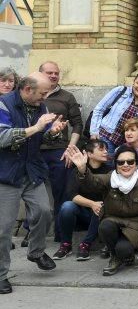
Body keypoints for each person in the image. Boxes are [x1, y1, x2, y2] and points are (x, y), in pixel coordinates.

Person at [0, 73, 66, 293]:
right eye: (42, 93)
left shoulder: (40, 106)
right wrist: (37, 128)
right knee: (3, 229)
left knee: (45, 211)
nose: (45, 98)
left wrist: (53, 132)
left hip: (32, 171)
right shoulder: (4, 104)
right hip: (7, 174)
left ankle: (36, 252)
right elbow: (3, 137)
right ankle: (1, 274)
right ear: (28, 89)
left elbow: (43, 135)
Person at [64, 144, 138, 276]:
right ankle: (114, 257)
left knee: (123, 250)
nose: (125, 165)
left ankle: (124, 255)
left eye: (130, 161)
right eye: (121, 162)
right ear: (116, 165)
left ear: (137, 164)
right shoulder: (110, 178)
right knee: (105, 225)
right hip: (113, 222)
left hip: (135, 227)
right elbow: (92, 183)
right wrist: (82, 169)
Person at [38, 61, 83, 244]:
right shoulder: (33, 95)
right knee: (32, 192)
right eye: (49, 72)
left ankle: (59, 233)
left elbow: (78, 124)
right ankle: (33, 232)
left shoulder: (67, 97)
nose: (53, 76)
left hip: (59, 152)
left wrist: (70, 148)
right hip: (35, 151)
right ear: (40, 74)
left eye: (56, 73)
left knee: (60, 193)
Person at [52, 140, 111, 261]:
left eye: (106, 149)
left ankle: (86, 244)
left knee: (102, 206)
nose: (105, 152)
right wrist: (91, 204)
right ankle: (66, 245)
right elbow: (72, 195)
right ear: (89, 154)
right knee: (67, 206)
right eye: (101, 149)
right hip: (82, 213)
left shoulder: (110, 170)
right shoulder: (77, 169)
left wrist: (96, 205)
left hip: (102, 215)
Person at [89, 68, 138, 154]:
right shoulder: (120, 91)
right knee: (109, 164)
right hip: (106, 136)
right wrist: (94, 131)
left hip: (127, 145)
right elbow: (99, 109)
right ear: (133, 82)